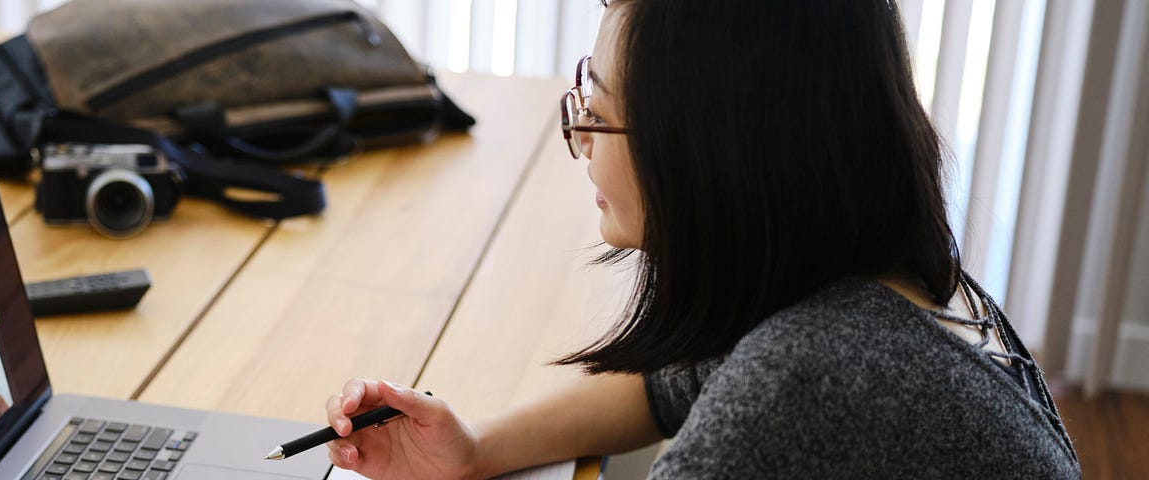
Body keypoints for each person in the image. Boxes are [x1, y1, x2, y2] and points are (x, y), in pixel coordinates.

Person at [321, 1, 1079, 479]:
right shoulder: (886, 281)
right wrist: (476, 448)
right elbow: (672, 382)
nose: (581, 134)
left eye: (602, 106)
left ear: (714, 149)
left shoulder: (809, 379)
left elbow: (746, 396)